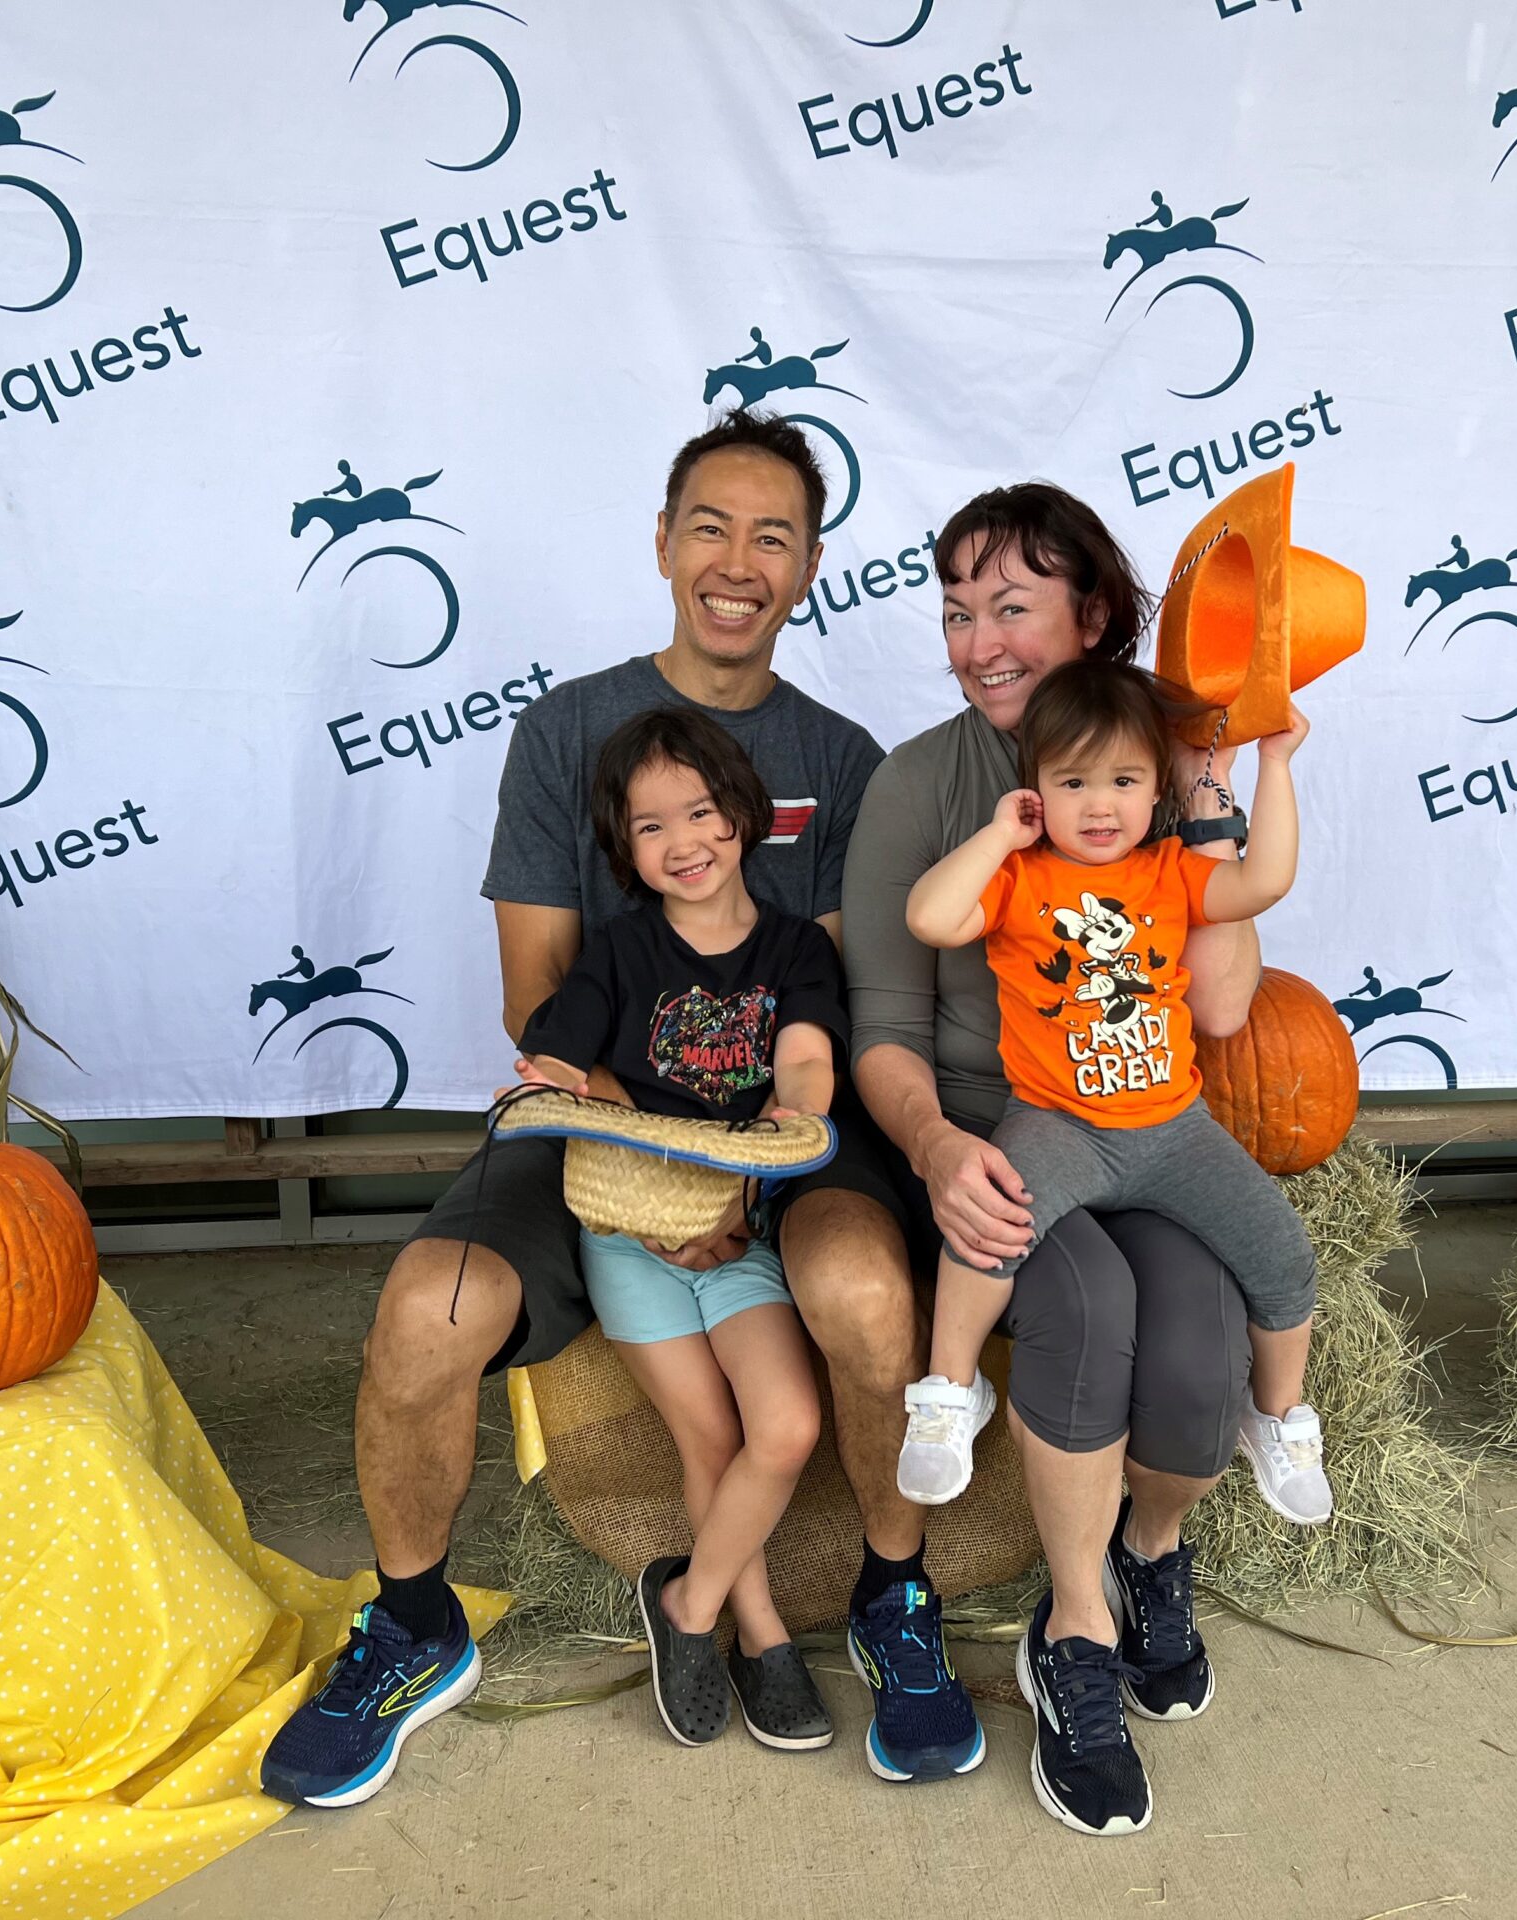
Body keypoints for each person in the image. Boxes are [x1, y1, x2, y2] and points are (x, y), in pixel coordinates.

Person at [263, 410, 971, 1808]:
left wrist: (749, 1182)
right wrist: (636, 1167)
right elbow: (540, 1007)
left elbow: (820, 1005)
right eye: (711, 524)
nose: (737, 559)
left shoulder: (841, 758)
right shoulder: (564, 728)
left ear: (812, 567)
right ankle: (413, 1626)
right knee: (423, 1309)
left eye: (774, 535)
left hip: (778, 1148)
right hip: (599, 1143)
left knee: (869, 1299)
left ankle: (896, 1602)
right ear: (663, 543)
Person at [844, 482, 1293, 1838]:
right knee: (1088, 1302)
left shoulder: (1154, 765)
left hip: (1145, 1121)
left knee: (1210, 1334)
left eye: (1012, 607)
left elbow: (1219, 1010)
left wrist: (1213, 796)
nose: (978, 640)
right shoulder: (921, 783)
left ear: (1094, 617)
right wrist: (930, 1146)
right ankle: (1078, 1639)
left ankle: (1153, 1556)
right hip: (996, 1129)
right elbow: (880, 1019)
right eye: (956, 612)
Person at [891, 659, 1328, 1533]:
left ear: (1157, 786)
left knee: (1284, 1256)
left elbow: (1265, 881)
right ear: (1035, 792)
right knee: (992, 1219)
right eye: (1072, 782)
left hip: (1174, 1129)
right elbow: (931, 920)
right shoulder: (1020, 879)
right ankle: (947, 1392)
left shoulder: (1171, 870)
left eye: (1124, 780)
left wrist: (1276, 765)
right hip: (1060, 1125)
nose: (1099, 805)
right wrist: (997, 839)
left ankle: (1278, 1419)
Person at [512, 707, 840, 1751]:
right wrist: (554, 1078)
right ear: (625, 852)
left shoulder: (794, 948)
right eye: (651, 827)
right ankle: (762, 1633)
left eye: (700, 811)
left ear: (743, 817)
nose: (683, 841)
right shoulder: (618, 952)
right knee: (709, 1437)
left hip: (738, 1236)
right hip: (628, 1240)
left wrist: (794, 1114)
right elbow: (555, 1043)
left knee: (781, 1429)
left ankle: (686, 1606)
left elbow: (802, 1060)